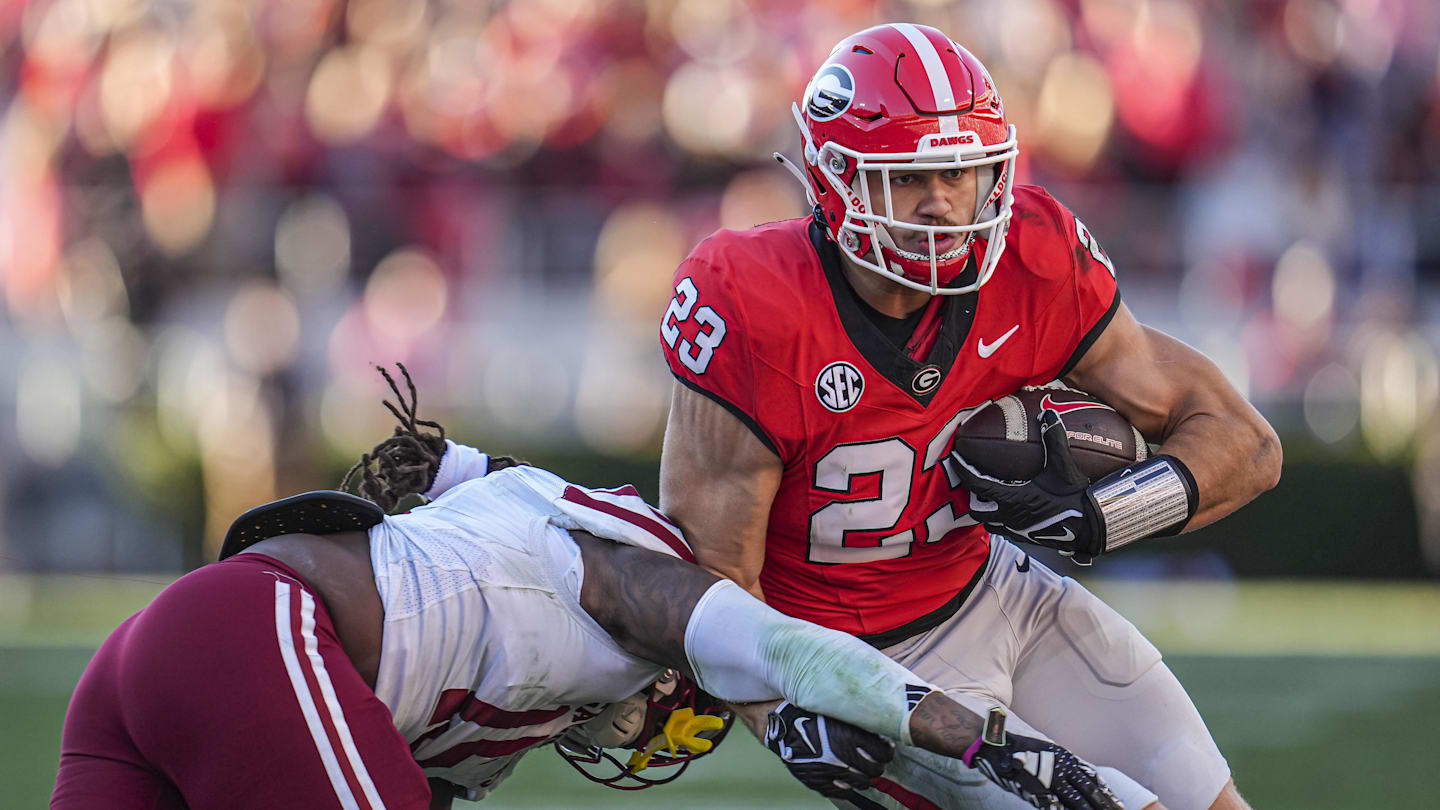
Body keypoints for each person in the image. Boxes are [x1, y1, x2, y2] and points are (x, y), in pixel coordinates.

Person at [658, 22, 1282, 810]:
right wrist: (784, 710)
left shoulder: (1034, 255)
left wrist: (1104, 516)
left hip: (998, 593)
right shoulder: (751, 298)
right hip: (870, 668)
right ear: (835, 178)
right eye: (908, 180)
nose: (945, 204)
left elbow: (1246, 442)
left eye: (963, 172)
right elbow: (710, 585)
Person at [52, 366, 1121, 810]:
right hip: (258, 635)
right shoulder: (634, 580)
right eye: (686, 716)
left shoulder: (535, 571)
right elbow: (809, 658)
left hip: (175, 655)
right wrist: (992, 743)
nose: (655, 732)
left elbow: (466, 475)